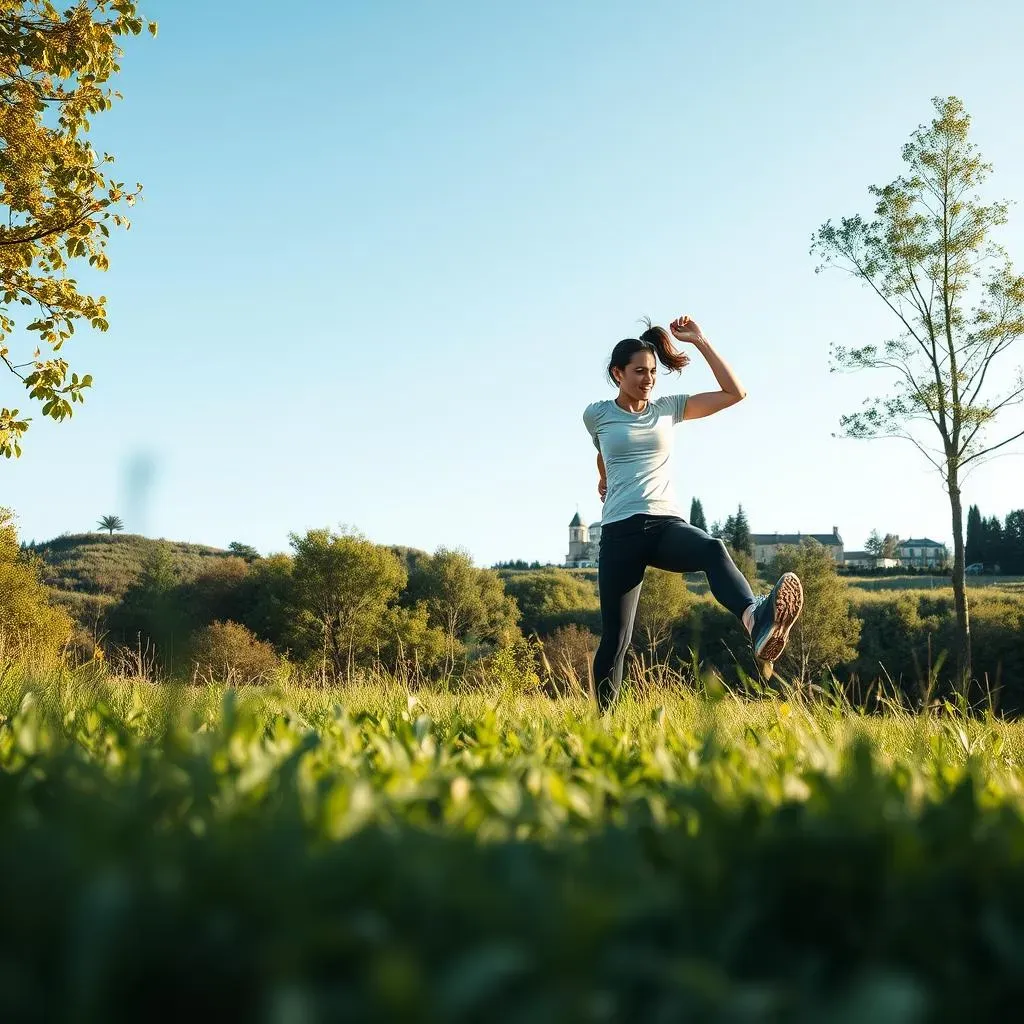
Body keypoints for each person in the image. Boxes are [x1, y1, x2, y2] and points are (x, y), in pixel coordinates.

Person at [583, 314, 803, 712]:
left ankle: (754, 619)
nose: (648, 379)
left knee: (712, 549)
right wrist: (603, 478)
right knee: (616, 638)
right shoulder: (596, 414)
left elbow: (734, 393)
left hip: (664, 523)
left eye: (652, 372)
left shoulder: (669, 409)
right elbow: (605, 449)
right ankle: (603, 724)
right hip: (618, 532)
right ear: (617, 373)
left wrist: (701, 341)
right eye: (639, 372)